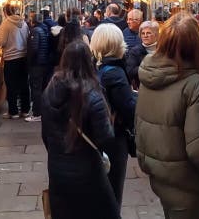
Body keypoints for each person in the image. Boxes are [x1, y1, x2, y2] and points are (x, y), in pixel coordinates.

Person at [136, 12, 199, 218]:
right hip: (185, 182)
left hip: (159, 174)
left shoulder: (149, 73)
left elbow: (141, 126)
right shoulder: (195, 86)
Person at [41, 40, 119, 219]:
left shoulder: (49, 91)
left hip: (57, 170)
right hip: (88, 172)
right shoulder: (93, 94)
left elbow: (46, 135)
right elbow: (105, 137)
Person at [90, 24, 136, 207]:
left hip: (97, 136)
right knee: (113, 192)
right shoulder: (114, 72)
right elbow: (128, 108)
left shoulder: (95, 66)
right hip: (114, 137)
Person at [0, 4, 30, 119]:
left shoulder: (6, 24)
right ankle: (25, 110)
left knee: (11, 85)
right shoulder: (24, 23)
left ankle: (13, 112)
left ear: (5, 12)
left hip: (11, 58)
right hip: (23, 57)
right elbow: (27, 38)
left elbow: (1, 41)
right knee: (24, 84)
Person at [25, 12, 51, 122]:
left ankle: (37, 114)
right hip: (43, 62)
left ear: (33, 20)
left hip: (36, 64)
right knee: (41, 88)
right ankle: (42, 112)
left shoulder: (35, 31)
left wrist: (29, 61)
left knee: (36, 89)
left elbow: (34, 49)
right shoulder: (44, 29)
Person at [125, 20, 159, 89]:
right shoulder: (135, 51)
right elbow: (130, 71)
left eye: (148, 33)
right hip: (143, 87)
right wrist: (148, 67)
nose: (145, 36)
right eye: (143, 33)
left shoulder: (163, 49)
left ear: (156, 34)